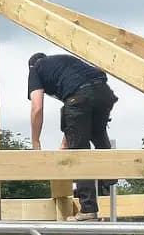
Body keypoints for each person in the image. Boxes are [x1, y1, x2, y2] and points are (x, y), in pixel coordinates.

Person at [27, 52, 118, 221]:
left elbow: (37, 108)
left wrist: (36, 142)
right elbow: (76, 120)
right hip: (103, 93)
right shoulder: (64, 63)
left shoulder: (36, 70)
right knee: (98, 134)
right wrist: (65, 143)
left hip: (79, 98)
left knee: (78, 155)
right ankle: (109, 180)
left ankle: (89, 209)